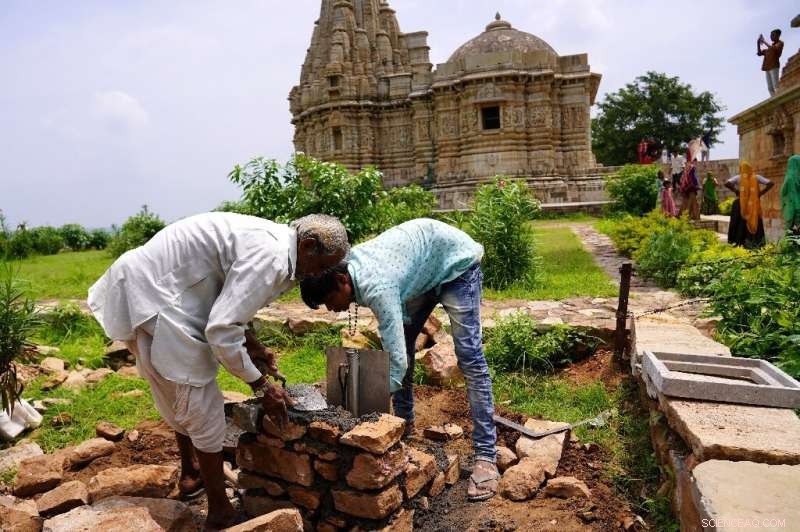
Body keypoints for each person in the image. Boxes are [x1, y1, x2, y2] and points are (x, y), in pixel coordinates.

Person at [88, 212, 349, 529]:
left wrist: (253, 346)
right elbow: (222, 330)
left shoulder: (278, 245)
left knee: (184, 395)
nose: (314, 276)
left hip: (159, 288)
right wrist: (261, 386)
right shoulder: (272, 257)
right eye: (320, 266)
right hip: (159, 296)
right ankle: (219, 512)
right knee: (200, 401)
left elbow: (230, 300)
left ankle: (192, 472)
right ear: (308, 245)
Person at [299, 218, 499, 501]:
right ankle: (404, 429)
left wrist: (367, 401)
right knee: (401, 343)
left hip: (455, 262)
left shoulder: (377, 288)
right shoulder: (346, 267)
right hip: (423, 266)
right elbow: (397, 350)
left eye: (329, 300)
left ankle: (486, 456)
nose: (331, 309)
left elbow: (398, 366)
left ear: (343, 280)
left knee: (469, 356)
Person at [725, 162, 774, 248]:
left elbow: (727, 183)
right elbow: (770, 183)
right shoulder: (756, 177)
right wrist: (760, 193)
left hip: (741, 204)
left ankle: (739, 243)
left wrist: (736, 191)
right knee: (755, 221)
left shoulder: (739, 177)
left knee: (740, 223)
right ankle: (755, 243)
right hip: (753, 205)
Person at [757, 29, 784, 96]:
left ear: (778, 35)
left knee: (776, 86)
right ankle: (775, 101)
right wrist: (758, 43)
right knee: (770, 88)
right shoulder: (769, 49)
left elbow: (774, 49)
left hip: (774, 66)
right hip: (767, 67)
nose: (771, 37)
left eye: (773, 35)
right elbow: (759, 53)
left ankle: (779, 99)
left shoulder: (780, 43)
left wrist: (764, 41)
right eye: (771, 35)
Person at [780, 154, 800, 234]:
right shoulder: (795, 177)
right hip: (797, 209)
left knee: (791, 234)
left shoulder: (789, 177)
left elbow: (783, 192)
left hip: (792, 208)